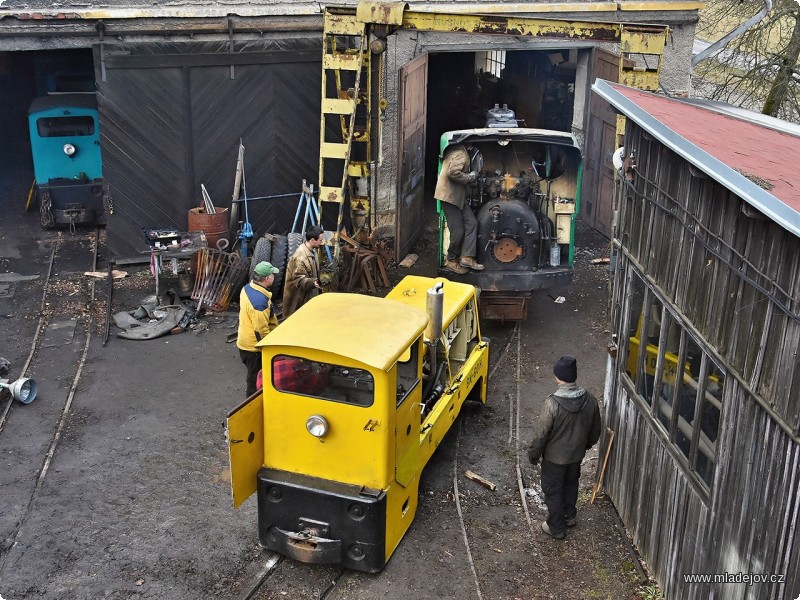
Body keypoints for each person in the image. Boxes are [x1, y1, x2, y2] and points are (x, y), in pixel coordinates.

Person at [528, 356, 601, 540]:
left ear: (559, 377)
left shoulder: (552, 404)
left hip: (554, 459)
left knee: (553, 490)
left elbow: (541, 435)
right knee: (571, 484)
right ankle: (569, 516)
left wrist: (534, 455)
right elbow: (595, 430)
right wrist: (586, 446)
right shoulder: (590, 399)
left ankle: (556, 527)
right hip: (576, 456)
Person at [434, 143, 484, 275]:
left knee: (472, 223)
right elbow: (452, 172)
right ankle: (451, 260)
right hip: (449, 196)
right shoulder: (461, 154)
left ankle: (467, 257)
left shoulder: (455, 151)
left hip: (458, 196)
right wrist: (469, 177)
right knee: (458, 231)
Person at [236, 261, 280, 397]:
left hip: (243, 340)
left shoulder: (247, 288)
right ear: (267, 278)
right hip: (253, 349)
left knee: (254, 375)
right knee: (255, 379)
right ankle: (251, 403)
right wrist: (270, 349)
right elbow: (261, 332)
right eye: (273, 275)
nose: (274, 277)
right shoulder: (259, 303)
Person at [282, 225, 324, 319]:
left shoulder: (313, 251)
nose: (322, 242)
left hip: (308, 296)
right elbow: (298, 280)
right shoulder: (301, 257)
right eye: (320, 240)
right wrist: (313, 282)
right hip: (299, 299)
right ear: (312, 240)